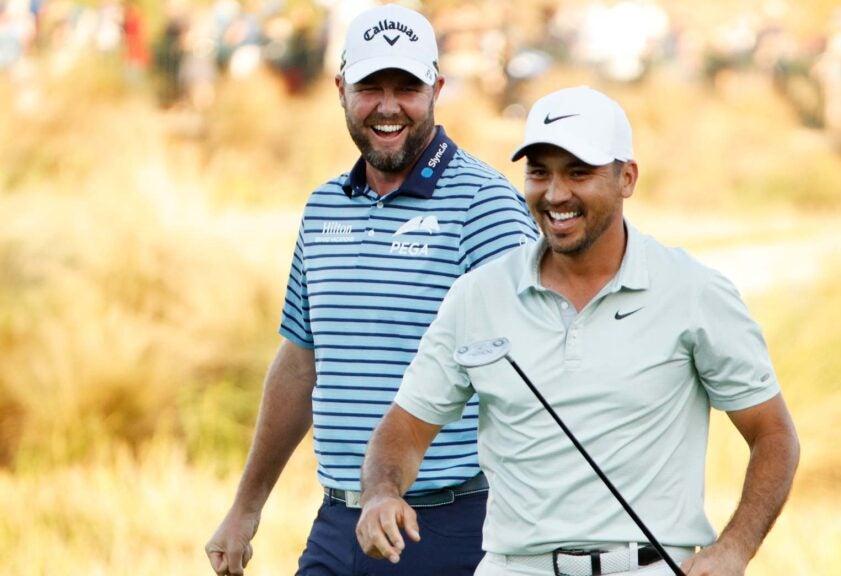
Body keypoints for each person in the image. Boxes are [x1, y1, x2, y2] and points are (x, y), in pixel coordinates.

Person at [355, 86, 800, 576]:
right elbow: (405, 428)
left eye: (578, 173)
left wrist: (735, 547)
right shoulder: (477, 295)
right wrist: (381, 493)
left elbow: (773, 433)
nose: (555, 194)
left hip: (650, 567)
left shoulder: (694, 292)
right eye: (539, 172)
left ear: (626, 177)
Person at [204, 4, 538, 576]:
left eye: (406, 87)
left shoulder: (486, 206)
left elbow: (537, 369)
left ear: (436, 86)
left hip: (450, 524)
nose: (388, 107)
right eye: (370, 87)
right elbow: (301, 360)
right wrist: (245, 508)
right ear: (340, 89)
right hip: (339, 521)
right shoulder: (323, 207)